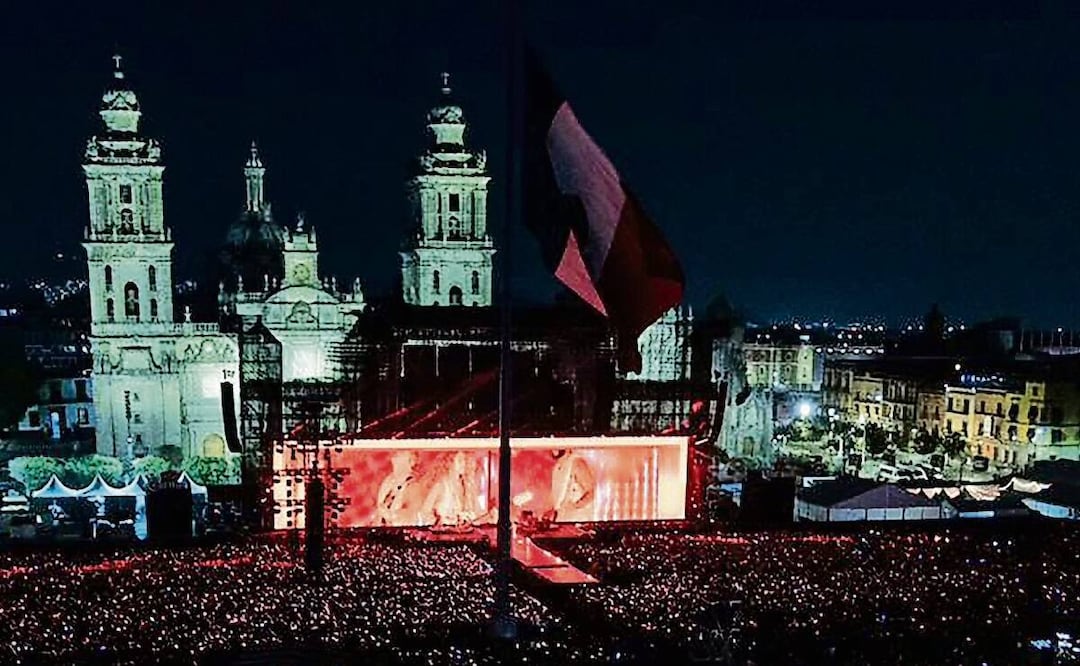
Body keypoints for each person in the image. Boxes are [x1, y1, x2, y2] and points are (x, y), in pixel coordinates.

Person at [550, 449, 596, 522]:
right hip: (562, 520)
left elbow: (591, 492)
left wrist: (574, 507)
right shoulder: (557, 467)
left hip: (577, 521)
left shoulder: (577, 462)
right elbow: (560, 502)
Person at [375, 451, 418, 526]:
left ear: (411, 462)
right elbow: (379, 508)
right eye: (395, 456)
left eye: (400, 456)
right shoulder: (388, 481)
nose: (395, 459)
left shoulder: (414, 485)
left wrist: (390, 516)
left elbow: (411, 515)